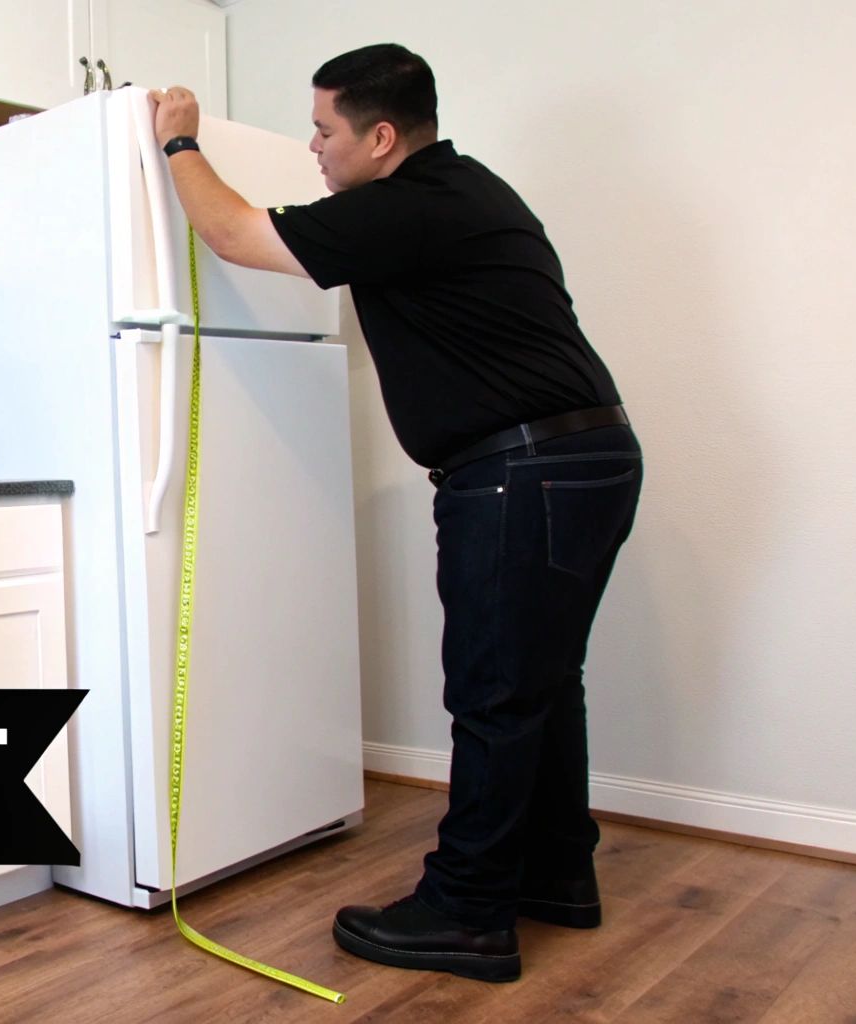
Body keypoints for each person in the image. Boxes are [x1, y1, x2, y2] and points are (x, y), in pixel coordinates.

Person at [149, 43, 642, 984]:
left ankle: (466, 913)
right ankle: (553, 875)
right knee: (538, 682)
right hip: (579, 458)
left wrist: (179, 144)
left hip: (525, 469)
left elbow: (237, 235)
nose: (314, 148)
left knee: (496, 691)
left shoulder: (409, 205)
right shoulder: (461, 192)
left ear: (381, 138)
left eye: (326, 130)